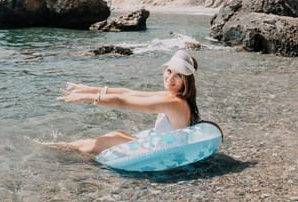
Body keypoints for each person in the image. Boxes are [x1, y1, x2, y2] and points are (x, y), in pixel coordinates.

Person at [56, 49, 200, 153]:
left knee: (115, 138)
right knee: (119, 133)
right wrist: (90, 89)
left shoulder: (174, 103)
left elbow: (123, 101)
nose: (170, 78)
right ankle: (67, 147)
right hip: (165, 145)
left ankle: (61, 150)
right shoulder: (173, 96)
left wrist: (89, 98)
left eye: (178, 75)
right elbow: (128, 92)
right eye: (169, 71)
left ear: (186, 81)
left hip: (166, 154)